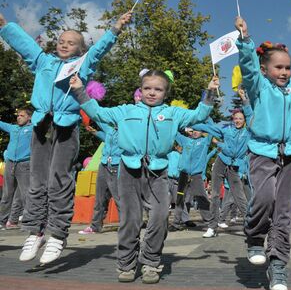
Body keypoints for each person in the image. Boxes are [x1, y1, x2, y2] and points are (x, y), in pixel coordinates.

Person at [0, 11, 132, 264]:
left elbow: (98, 50)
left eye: (71, 42)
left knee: (58, 181)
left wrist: (116, 28)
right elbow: (22, 42)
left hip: (65, 127)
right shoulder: (42, 61)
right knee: (37, 182)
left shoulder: (83, 64)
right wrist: (4, 25)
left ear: (80, 49)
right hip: (41, 126)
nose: (64, 43)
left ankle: (58, 235)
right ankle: (35, 232)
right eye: (61, 40)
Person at [70, 70, 219, 283]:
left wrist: (210, 95)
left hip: (158, 173)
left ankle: (150, 262)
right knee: (130, 220)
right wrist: (79, 90)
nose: (152, 93)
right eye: (147, 88)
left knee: (159, 217)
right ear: (141, 90)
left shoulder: (173, 113)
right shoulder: (126, 111)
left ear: (165, 93)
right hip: (129, 172)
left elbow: (198, 115)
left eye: (158, 89)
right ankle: (127, 264)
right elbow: (98, 113)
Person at [235, 16, 291, 290]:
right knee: (265, 198)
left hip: (290, 154)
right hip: (262, 152)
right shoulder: (259, 87)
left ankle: (279, 265)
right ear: (265, 69)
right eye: (278, 67)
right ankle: (255, 236)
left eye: (287, 67)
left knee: (283, 211)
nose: (284, 72)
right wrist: (245, 40)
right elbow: (247, 68)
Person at [192, 87, 253, 238]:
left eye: (240, 118)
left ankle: (250, 226)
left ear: (244, 120)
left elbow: (251, 114)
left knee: (240, 197)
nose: (238, 120)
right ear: (233, 119)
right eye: (236, 118)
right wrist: (189, 123)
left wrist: (244, 99)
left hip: (234, 167)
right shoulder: (227, 130)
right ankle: (212, 227)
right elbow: (209, 126)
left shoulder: (248, 133)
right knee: (214, 195)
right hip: (221, 162)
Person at [78, 122, 122, 234]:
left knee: (119, 198)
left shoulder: (127, 131)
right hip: (104, 164)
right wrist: (94, 132)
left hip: (116, 165)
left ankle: (126, 225)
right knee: (100, 197)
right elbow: (105, 137)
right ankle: (95, 226)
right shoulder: (111, 130)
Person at [0, 108, 32, 229]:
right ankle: (2, 221)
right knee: (6, 195)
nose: (18, 117)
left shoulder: (33, 128)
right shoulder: (13, 128)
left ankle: (28, 222)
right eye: (18, 115)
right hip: (10, 164)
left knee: (25, 195)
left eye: (22, 115)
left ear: (29, 117)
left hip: (24, 165)